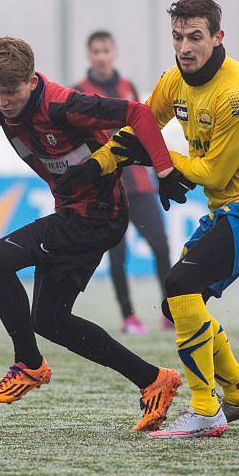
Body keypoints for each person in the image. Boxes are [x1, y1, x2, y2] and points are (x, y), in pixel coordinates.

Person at [0, 36, 195, 432]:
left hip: (98, 215)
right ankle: (154, 380)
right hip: (73, 213)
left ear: (31, 81)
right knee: (50, 320)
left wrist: (164, 171)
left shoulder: (62, 104)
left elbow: (138, 113)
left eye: (10, 91)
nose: (2, 101)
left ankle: (29, 366)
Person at [71, 0, 239, 438]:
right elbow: (139, 129)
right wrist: (93, 168)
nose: (184, 47)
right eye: (178, 37)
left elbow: (214, 171)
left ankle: (204, 409)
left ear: (218, 38)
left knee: (180, 286)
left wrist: (159, 159)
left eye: (195, 37)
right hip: (232, 207)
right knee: (179, 302)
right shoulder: (174, 81)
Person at [72, 30, 172, 335]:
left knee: (161, 245)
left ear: (114, 53)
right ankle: (129, 315)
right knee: (117, 254)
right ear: (89, 55)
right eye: (96, 51)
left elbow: (145, 127)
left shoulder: (128, 87)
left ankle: (171, 312)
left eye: (106, 50)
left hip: (140, 185)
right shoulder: (79, 91)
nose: (101, 56)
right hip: (106, 187)